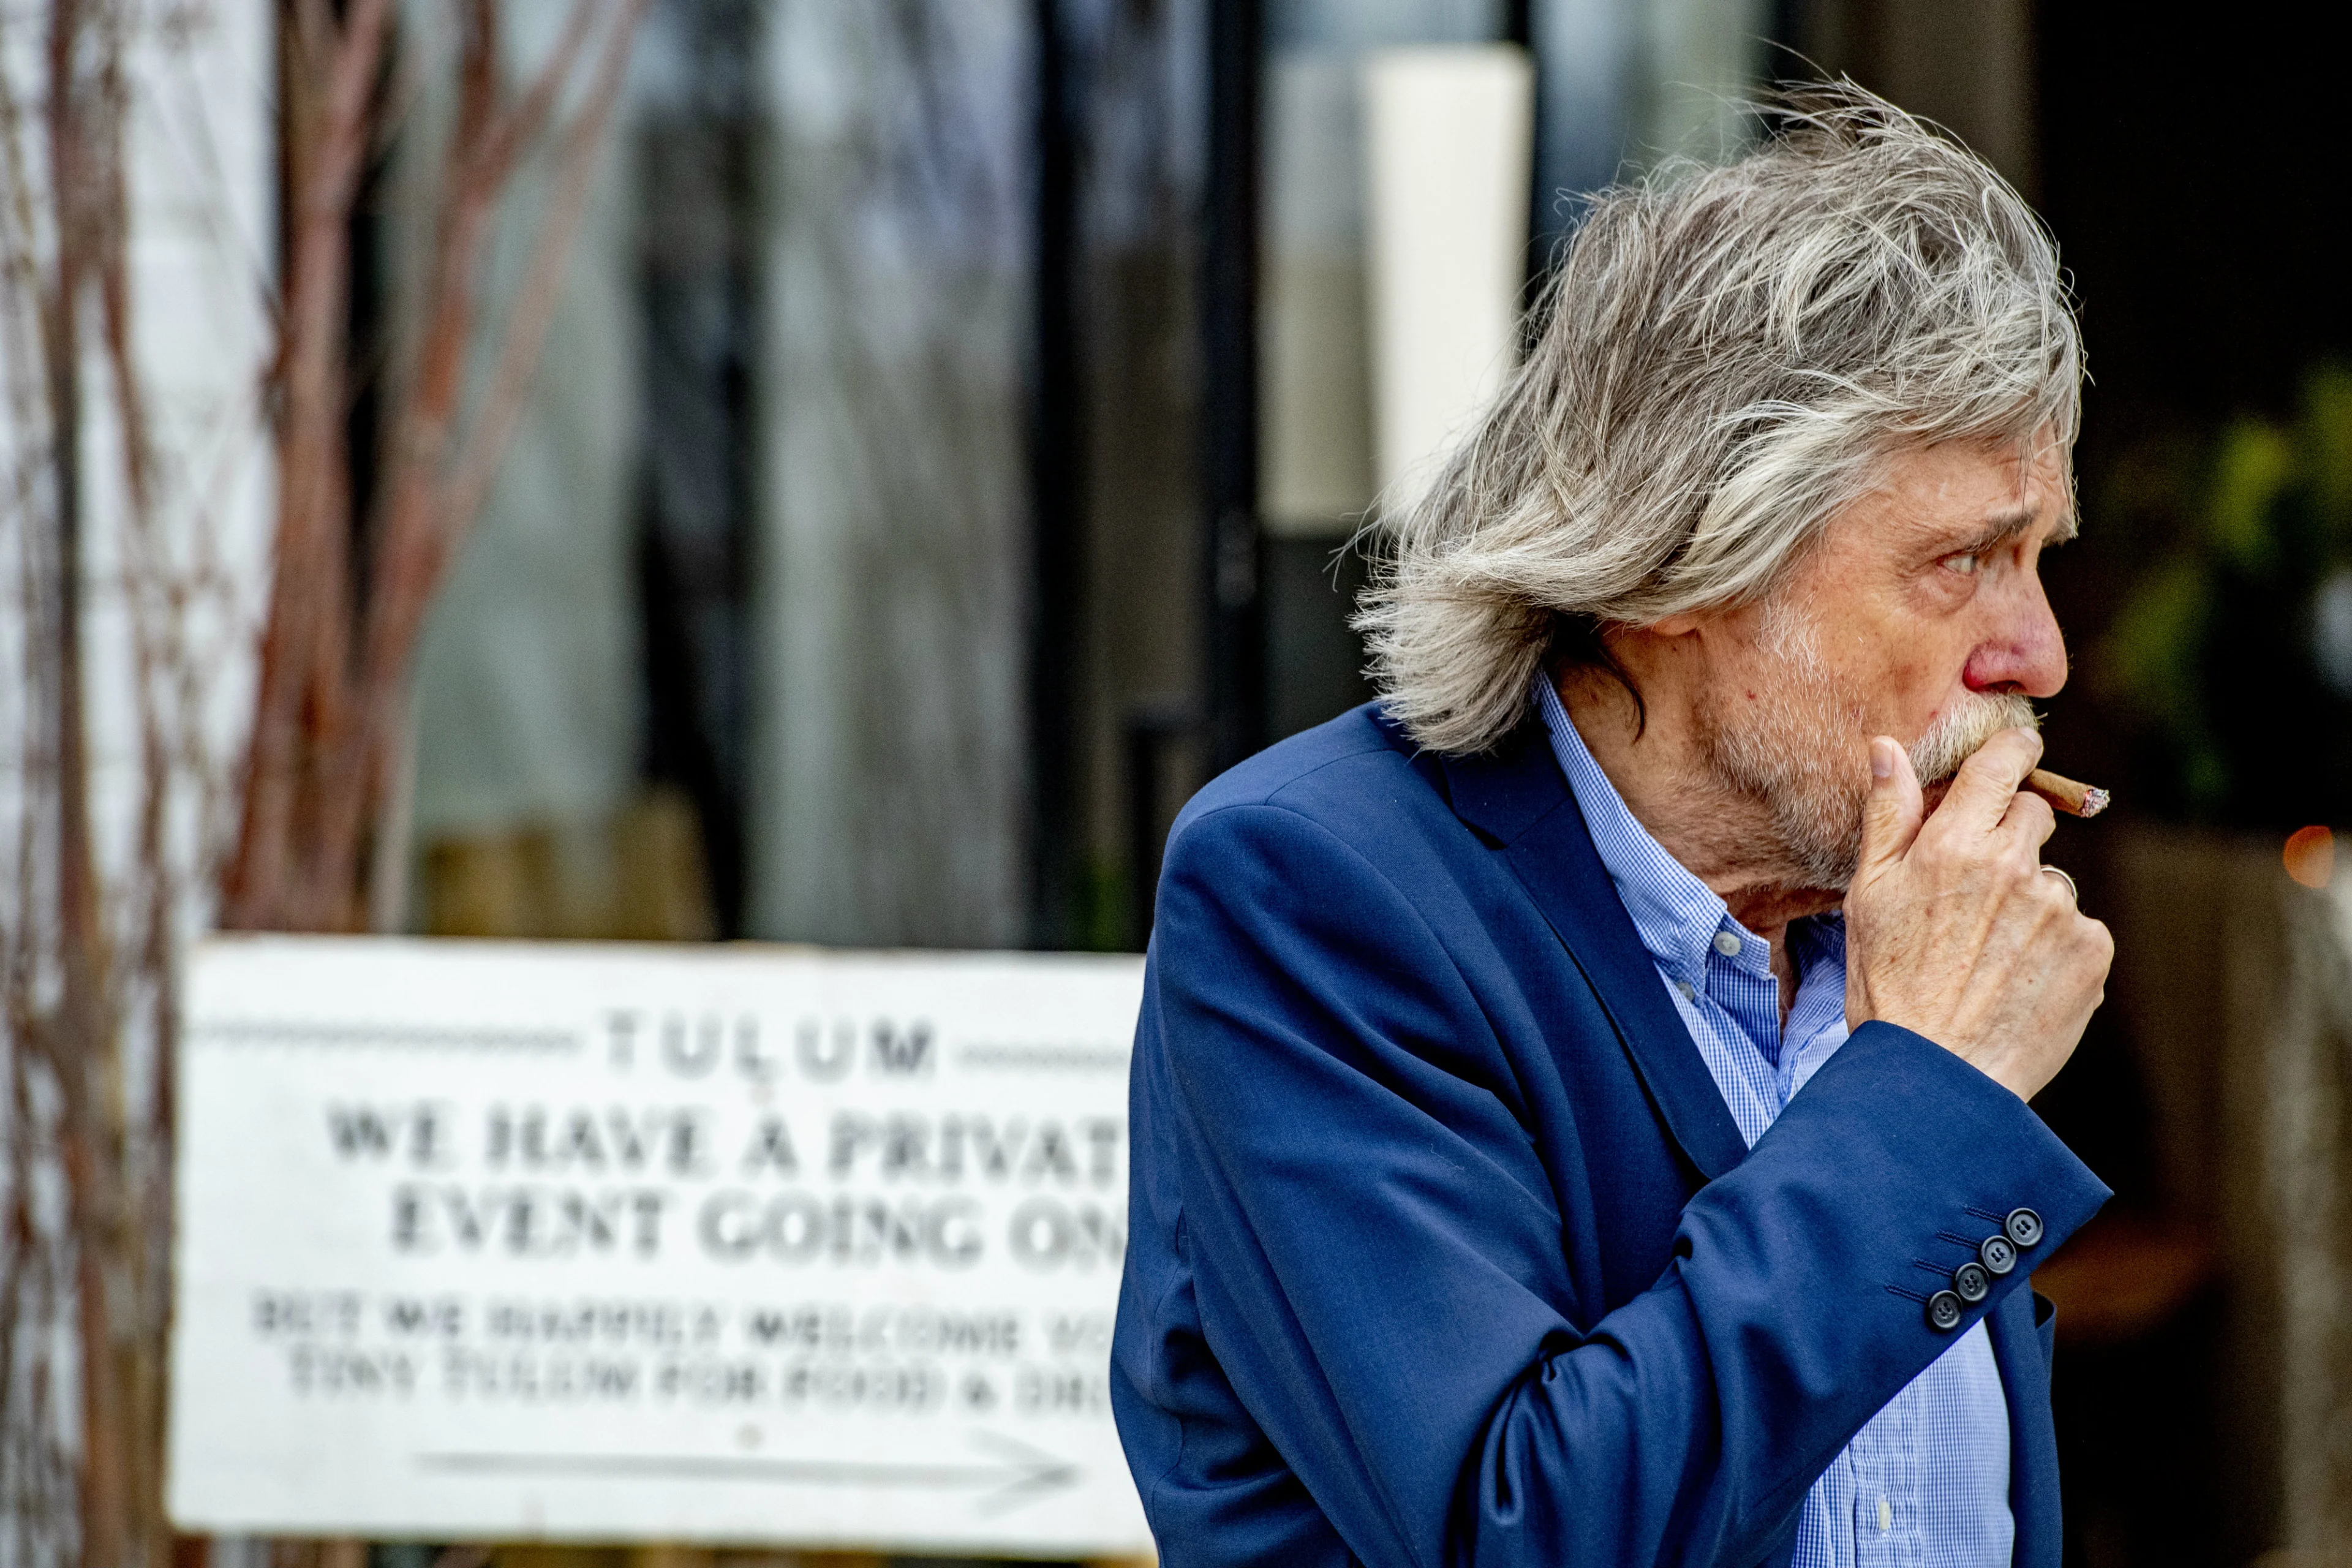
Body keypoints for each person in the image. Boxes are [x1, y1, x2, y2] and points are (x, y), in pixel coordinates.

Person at [1111, 86, 2114, 1568]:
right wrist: (1928, 1095)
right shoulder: (1314, 893)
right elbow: (1524, 1528)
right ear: (1678, 567)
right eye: (1961, 561)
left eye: (2036, 557)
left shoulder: (1888, 910)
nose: (2038, 654)